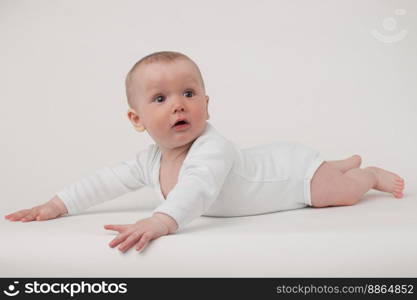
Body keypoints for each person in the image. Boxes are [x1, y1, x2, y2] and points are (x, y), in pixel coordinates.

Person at [4, 51, 405, 253]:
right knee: (325, 174)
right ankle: (336, 165)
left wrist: (164, 220)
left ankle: (365, 174)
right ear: (136, 118)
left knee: (336, 194)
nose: (178, 104)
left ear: (207, 105)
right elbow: (107, 180)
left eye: (189, 93)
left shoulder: (212, 148)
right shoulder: (150, 161)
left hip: (291, 175)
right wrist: (59, 205)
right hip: (274, 163)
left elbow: (197, 188)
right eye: (160, 98)